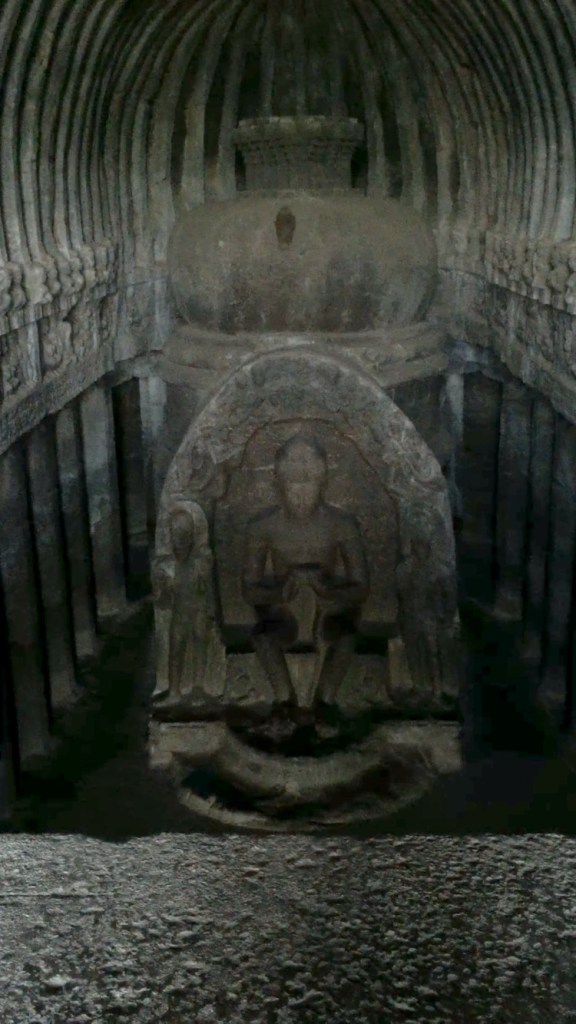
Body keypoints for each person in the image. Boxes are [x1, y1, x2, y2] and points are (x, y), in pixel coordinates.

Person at [242, 435, 368, 705]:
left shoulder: (342, 525)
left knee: (344, 638)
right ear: (278, 484)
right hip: (282, 610)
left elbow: (361, 586)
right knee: (264, 638)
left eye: (308, 483)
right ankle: (283, 700)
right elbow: (249, 590)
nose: (300, 493)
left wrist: (328, 589)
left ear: (323, 484)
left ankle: (326, 700)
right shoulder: (262, 527)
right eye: (292, 484)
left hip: (329, 608)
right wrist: (280, 592)